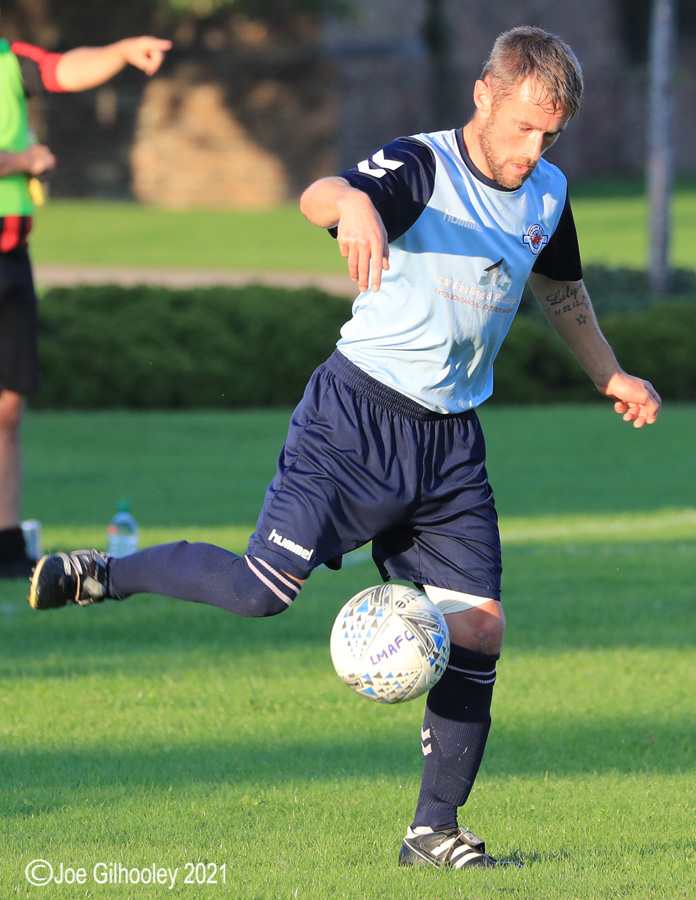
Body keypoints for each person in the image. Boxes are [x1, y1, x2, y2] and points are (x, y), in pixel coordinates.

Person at [28, 27, 661, 869]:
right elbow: (321, 194)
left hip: (450, 448)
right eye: (522, 128)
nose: (533, 149)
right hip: (353, 425)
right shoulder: (417, 169)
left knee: (478, 630)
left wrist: (610, 374)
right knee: (261, 594)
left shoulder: (546, 193)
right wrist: (355, 206)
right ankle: (105, 573)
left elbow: (563, 290)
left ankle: (432, 831)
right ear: (483, 96)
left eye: (551, 133)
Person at [0, 34, 171, 579]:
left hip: (11, 253)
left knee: (6, 409)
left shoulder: (7, 59)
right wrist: (23, 158)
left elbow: (62, 68)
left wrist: (120, 52)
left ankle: (5, 544)